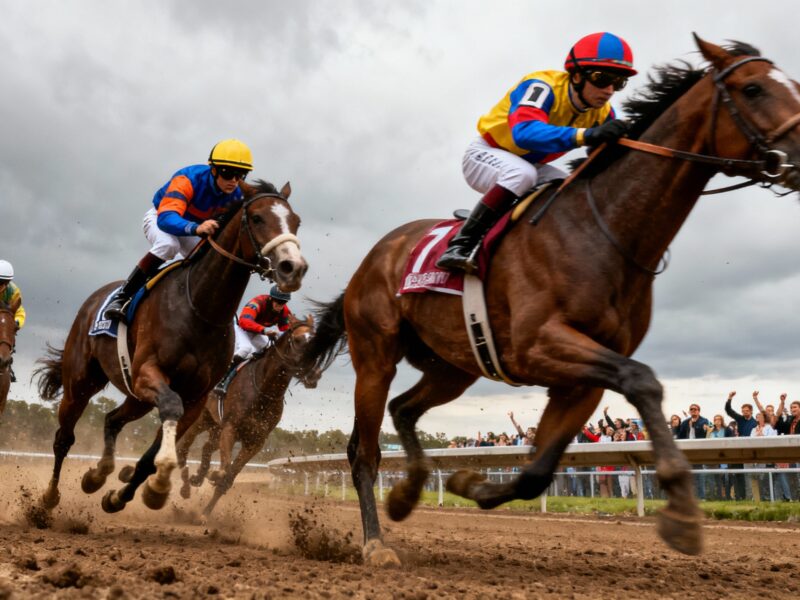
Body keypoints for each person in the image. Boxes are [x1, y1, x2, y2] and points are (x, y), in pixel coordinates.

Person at [437, 32, 637, 272]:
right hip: (486, 154)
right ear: (576, 76)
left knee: (570, 189)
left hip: (531, 165)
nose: (609, 90)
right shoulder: (542, 86)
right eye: (602, 78)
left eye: (619, 82)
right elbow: (525, 133)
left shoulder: (603, 113)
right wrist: (585, 135)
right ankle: (460, 245)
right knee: (522, 174)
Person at [104, 139, 254, 322]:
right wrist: (196, 227)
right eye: (228, 174)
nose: (234, 181)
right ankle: (122, 297)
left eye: (241, 176)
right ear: (214, 170)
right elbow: (167, 219)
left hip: (195, 229)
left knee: (210, 259)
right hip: (161, 218)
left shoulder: (237, 194)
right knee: (168, 245)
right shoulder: (188, 179)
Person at [213, 285, 293, 395]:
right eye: (278, 301)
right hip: (242, 330)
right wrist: (264, 330)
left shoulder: (284, 311)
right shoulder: (258, 302)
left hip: (258, 332)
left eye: (283, 302)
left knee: (270, 351)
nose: (280, 305)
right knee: (245, 349)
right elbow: (244, 321)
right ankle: (221, 380)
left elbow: (286, 330)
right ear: (271, 298)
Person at [0, 260, 25, 382]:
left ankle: (5, 365)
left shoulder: (14, 291)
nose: (1, 286)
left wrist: (16, 323)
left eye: (4, 283)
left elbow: (19, 311)